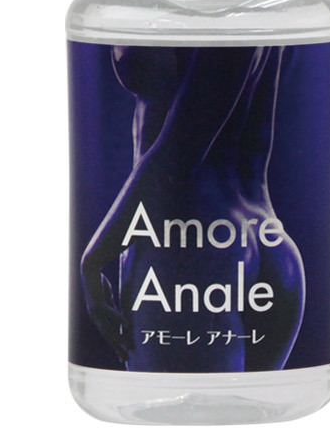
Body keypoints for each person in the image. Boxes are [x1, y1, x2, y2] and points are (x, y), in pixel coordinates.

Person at [80, 45, 305, 372]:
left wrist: (94, 258)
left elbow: (176, 156)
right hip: (267, 239)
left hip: (188, 245)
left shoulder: (195, 25)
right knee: (250, 403)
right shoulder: (266, 22)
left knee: (169, 405)